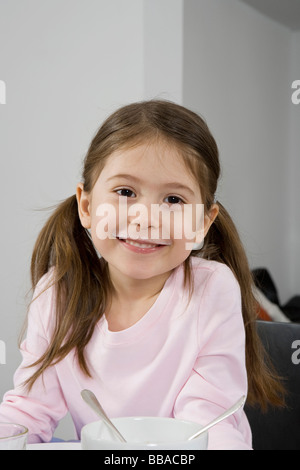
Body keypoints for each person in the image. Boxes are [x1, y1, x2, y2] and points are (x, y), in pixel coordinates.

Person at [0, 100, 284, 450]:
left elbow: (209, 422)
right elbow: (26, 413)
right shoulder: (57, 293)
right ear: (86, 206)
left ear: (203, 222)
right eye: (125, 192)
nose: (147, 217)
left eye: (174, 200)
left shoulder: (212, 289)